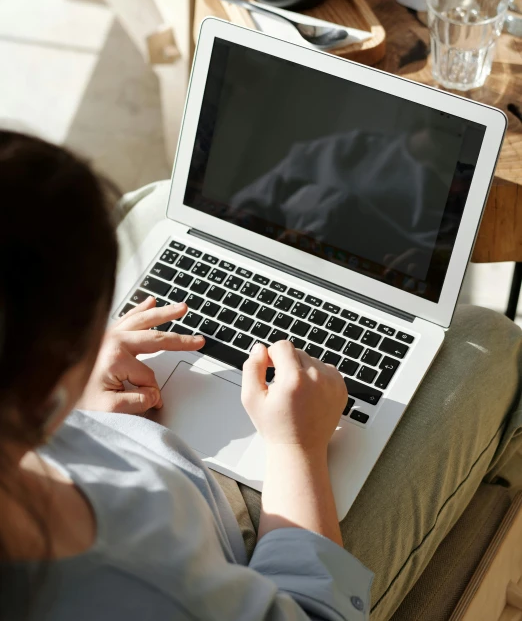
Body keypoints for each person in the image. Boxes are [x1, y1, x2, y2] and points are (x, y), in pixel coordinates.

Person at [0, 131, 521, 621]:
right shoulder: (145, 586)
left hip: (121, 431)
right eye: (91, 317)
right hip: (251, 535)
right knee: (491, 340)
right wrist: (299, 451)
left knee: (166, 199)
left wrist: (76, 410)